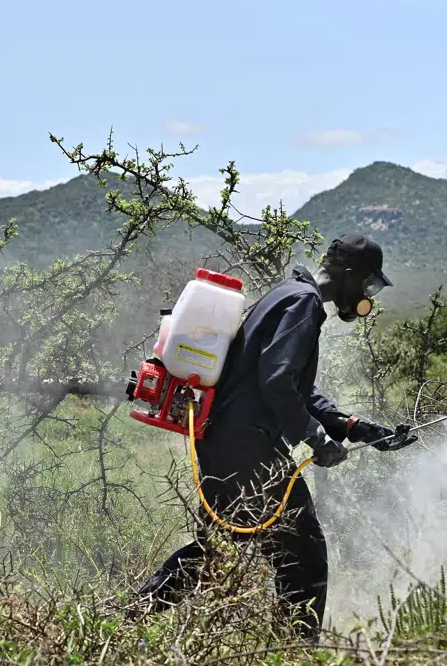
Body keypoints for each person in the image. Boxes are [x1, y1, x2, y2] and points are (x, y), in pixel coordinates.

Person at [136, 233, 417, 637]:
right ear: (351, 275)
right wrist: (317, 439)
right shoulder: (303, 303)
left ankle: (126, 618)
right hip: (250, 450)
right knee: (305, 558)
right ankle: (294, 659)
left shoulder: (289, 293)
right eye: (369, 284)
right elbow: (277, 381)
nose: (367, 294)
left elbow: (292, 385)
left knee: (214, 552)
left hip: (226, 444)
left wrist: (350, 426)